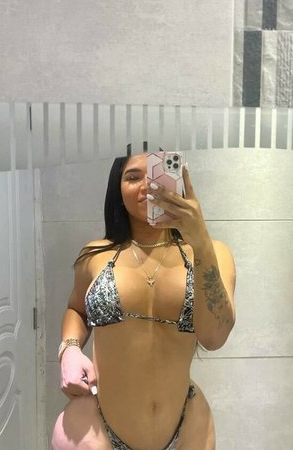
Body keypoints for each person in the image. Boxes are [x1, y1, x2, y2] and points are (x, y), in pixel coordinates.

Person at [51, 150, 236, 450]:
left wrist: (200, 238)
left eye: (155, 174)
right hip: (95, 427)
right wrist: (69, 349)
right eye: (133, 177)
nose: (146, 185)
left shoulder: (212, 253)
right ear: (118, 189)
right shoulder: (96, 255)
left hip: (187, 427)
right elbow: (76, 309)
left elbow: (215, 337)